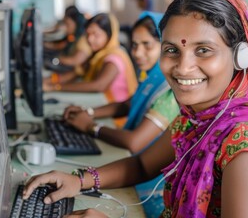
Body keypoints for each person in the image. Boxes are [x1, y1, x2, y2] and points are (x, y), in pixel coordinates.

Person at [23, 0, 248, 218]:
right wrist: (79, 180)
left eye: (203, 50)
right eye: (172, 50)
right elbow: (142, 165)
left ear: (242, 57)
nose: (183, 68)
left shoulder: (247, 148)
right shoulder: (195, 120)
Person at [62, 11, 179, 153]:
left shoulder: (169, 89)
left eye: (147, 45)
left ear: (166, 46)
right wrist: (88, 112)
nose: (137, 53)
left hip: (150, 170)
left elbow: (134, 143)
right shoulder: (152, 78)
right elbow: (127, 105)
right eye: (135, 45)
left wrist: (90, 126)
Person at [44, 13, 138, 104]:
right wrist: (48, 81)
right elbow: (75, 74)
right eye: (88, 34)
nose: (90, 39)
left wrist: (55, 87)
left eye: (96, 35)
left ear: (109, 36)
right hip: (102, 101)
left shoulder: (114, 58)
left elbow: (98, 86)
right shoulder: (96, 55)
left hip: (116, 114)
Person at [43, 5, 92, 70]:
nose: (65, 27)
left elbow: (74, 60)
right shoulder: (72, 36)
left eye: (68, 24)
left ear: (76, 24)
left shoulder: (83, 40)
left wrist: (57, 59)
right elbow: (60, 44)